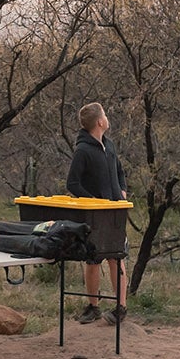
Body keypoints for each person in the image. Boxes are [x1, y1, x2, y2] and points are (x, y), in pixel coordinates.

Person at [65, 102, 125, 325]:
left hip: (115, 212)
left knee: (116, 258)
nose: (107, 118)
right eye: (105, 115)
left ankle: (121, 307)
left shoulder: (109, 146)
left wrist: (122, 189)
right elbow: (72, 183)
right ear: (100, 122)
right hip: (94, 215)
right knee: (93, 260)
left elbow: (119, 171)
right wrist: (92, 202)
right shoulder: (82, 150)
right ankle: (93, 306)